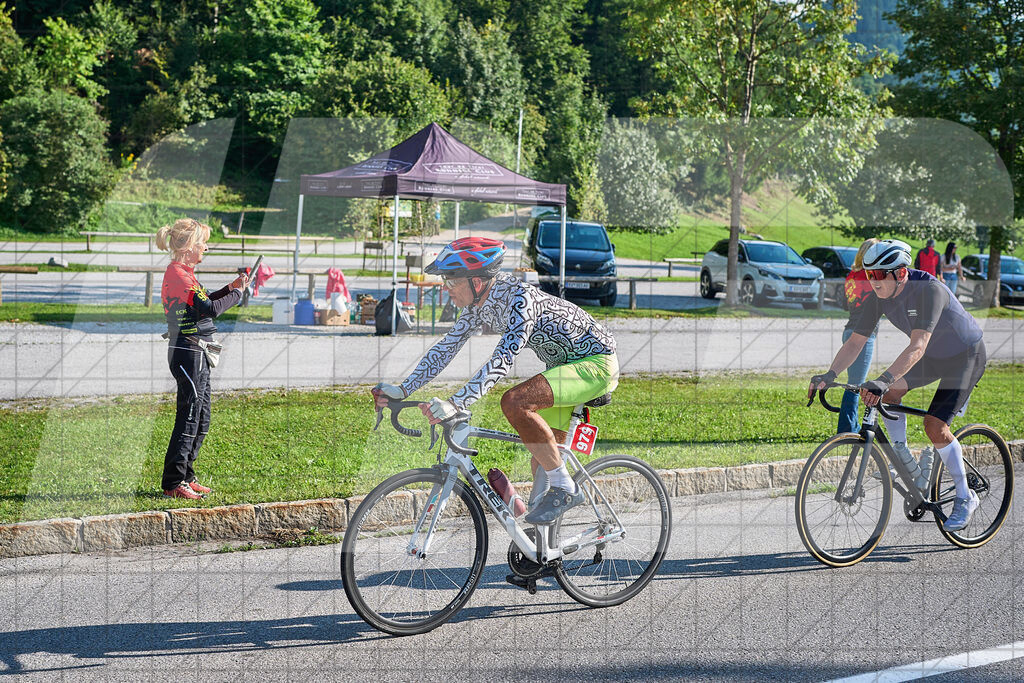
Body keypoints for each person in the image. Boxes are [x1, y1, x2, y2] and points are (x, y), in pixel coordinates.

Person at [371, 237, 618, 526]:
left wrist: (456, 403)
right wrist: (404, 388)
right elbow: (447, 347)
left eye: (451, 281)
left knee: (515, 402)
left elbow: (502, 359)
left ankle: (567, 489)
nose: (445, 288)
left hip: (597, 363)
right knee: (542, 460)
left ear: (476, 281)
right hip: (562, 367)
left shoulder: (521, 300)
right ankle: (540, 551)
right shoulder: (478, 305)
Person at [808, 239, 986, 532]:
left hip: (966, 355)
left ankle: (966, 497)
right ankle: (904, 461)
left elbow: (917, 345)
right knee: (887, 395)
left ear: (900, 273)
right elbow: (855, 341)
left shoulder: (928, 291)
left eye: (879, 275)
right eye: (869, 274)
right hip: (934, 355)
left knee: (934, 426)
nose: (872, 281)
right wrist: (829, 374)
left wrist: (883, 378)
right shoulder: (878, 296)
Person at [158, 218, 249, 500]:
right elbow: (209, 309)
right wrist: (237, 294)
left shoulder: (186, 272)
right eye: (202, 243)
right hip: (188, 351)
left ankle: (187, 475)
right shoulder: (177, 273)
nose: (206, 248)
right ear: (187, 247)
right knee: (188, 416)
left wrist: (230, 287)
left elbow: (204, 299)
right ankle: (174, 482)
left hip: (200, 351)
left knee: (202, 416)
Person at [836, 239, 879, 434]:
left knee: (853, 382)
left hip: (849, 330)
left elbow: (847, 304)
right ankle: (847, 428)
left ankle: (849, 423)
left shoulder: (852, 276)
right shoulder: (871, 277)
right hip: (862, 335)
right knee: (855, 385)